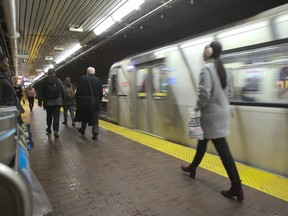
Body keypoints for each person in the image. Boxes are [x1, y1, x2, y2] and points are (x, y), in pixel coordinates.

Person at [180, 41, 244, 201]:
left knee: (223, 151)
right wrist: (221, 104)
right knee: (202, 142)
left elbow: (204, 93)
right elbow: (229, 93)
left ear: (208, 52)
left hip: (210, 116)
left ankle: (236, 186)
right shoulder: (226, 71)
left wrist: (197, 107)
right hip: (221, 115)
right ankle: (192, 167)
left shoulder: (207, 69)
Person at [75, 67, 103, 140]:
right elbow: (101, 93)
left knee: (84, 116)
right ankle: (95, 132)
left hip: (84, 102)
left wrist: (77, 100)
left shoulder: (82, 79)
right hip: (95, 102)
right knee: (95, 117)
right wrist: (98, 101)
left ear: (87, 72)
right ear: (94, 73)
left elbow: (79, 91)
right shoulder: (98, 80)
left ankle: (82, 129)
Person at [38, 68, 66, 138]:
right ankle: (56, 130)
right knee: (56, 116)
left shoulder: (44, 80)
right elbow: (63, 90)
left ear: (47, 73)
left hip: (48, 101)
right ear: (54, 73)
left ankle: (49, 128)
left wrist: (40, 101)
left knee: (49, 115)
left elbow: (40, 91)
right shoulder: (58, 80)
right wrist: (64, 99)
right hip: (57, 101)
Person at [0, 52, 24, 124]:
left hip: (11, 111)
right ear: (0, 62)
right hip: (7, 114)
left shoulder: (4, 77)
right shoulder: (1, 78)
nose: (8, 65)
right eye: (6, 62)